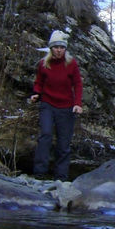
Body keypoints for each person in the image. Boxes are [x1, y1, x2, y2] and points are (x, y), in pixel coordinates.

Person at [29, 29, 83, 180]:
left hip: (66, 107)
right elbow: (39, 81)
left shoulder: (71, 64)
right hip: (48, 104)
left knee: (63, 142)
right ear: (51, 48)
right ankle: (39, 173)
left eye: (62, 47)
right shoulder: (43, 64)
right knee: (45, 135)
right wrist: (36, 93)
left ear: (65, 49)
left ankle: (61, 177)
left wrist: (77, 103)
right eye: (56, 47)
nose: (59, 50)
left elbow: (78, 84)